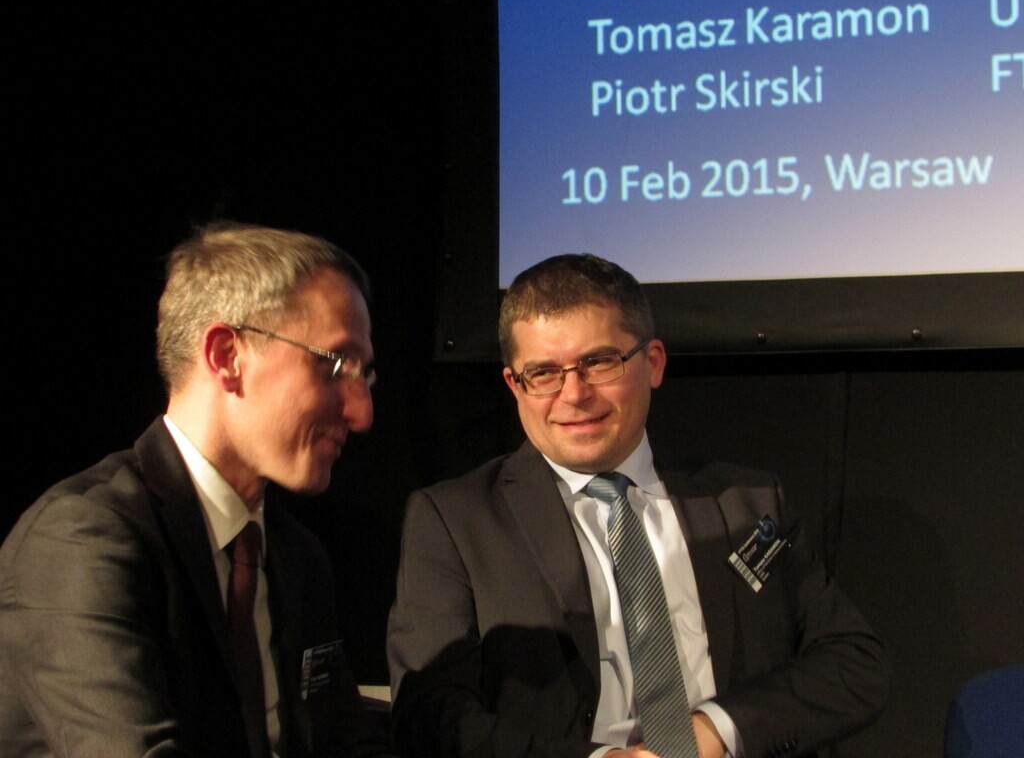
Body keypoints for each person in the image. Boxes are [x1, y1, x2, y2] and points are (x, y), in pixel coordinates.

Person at [386, 254, 890, 758]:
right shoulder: (456, 520)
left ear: (653, 363)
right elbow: (431, 713)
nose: (573, 394)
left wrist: (716, 731)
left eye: (599, 362)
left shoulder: (747, 501)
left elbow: (854, 662)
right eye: (542, 373)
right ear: (514, 385)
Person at [0, 222, 396, 757]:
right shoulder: (81, 541)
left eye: (364, 375)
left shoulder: (294, 555)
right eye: (336, 365)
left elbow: (343, 741)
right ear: (227, 356)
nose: (362, 413)